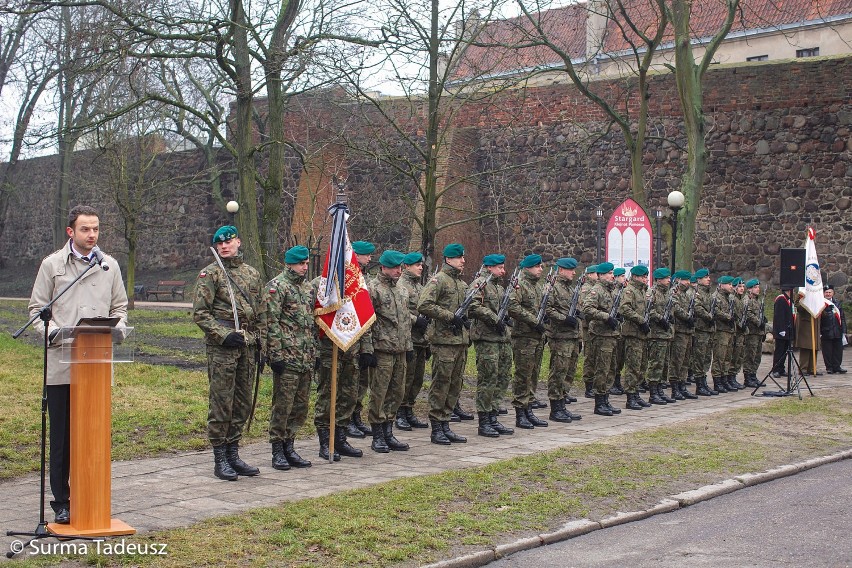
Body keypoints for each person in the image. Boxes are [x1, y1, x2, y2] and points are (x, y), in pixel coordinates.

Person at [28, 205, 128, 524]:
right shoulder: (52, 265)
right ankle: (62, 502)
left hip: (95, 368)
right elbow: (36, 311)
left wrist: (118, 329)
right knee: (61, 439)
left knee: (93, 435)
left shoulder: (109, 266)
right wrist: (55, 331)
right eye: (85, 229)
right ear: (71, 232)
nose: (92, 235)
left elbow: (121, 308)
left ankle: (91, 496)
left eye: (96, 229)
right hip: (62, 365)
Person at [194, 225, 267, 481]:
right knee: (222, 402)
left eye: (229, 241)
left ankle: (234, 453)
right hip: (223, 347)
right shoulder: (211, 274)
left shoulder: (251, 274)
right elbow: (200, 314)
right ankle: (220, 457)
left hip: (247, 345)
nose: (224, 246)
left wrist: (262, 344)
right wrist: (224, 335)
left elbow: (260, 312)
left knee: (242, 401)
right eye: (219, 243)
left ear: (238, 242)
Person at [266, 245, 322, 471]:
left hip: (305, 357)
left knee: (300, 406)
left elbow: (311, 323)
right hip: (287, 358)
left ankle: (290, 445)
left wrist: (315, 353)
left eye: (307, 263)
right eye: (301, 263)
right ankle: (277, 449)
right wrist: (275, 355)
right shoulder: (277, 287)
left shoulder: (308, 288)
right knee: (283, 405)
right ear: (289, 263)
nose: (304, 267)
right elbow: (271, 323)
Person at [417, 243, 469, 445]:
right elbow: (424, 304)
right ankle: (437, 427)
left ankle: (446, 423)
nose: (463, 260)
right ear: (448, 259)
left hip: (460, 342)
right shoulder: (439, 280)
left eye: (463, 257)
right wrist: (450, 317)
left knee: (455, 385)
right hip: (444, 342)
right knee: (441, 384)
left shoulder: (461, 284)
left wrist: (465, 320)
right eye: (459, 257)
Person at [363, 250, 412, 453]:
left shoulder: (401, 290)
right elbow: (366, 322)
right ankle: (378, 435)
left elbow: (406, 321)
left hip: (400, 349)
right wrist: (367, 350)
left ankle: (389, 431)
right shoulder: (373, 289)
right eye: (394, 268)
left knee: (397, 392)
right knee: (379, 393)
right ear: (383, 267)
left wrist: (408, 346)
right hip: (381, 349)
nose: (398, 271)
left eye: (400, 268)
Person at [468, 254, 515, 436]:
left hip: (501, 339)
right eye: (500, 268)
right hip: (486, 339)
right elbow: (473, 306)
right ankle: (484, 420)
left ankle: (493, 416)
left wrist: (505, 319)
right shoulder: (480, 284)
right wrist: (494, 319)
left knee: (502, 378)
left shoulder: (498, 287)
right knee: (488, 379)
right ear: (489, 267)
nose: (503, 271)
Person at [509, 254, 549, 428]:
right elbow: (512, 307)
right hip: (524, 337)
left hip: (536, 337)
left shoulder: (537, 286)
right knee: (522, 376)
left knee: (533, 375)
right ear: (528, 267)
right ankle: (520, 412)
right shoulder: (520, 285)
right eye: (538, 266)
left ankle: (528, 409)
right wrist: (534, 321)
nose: (541, 269)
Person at [544, 257, 584, 421]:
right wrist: (563, 318)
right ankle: (555, 408)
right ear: (561, 270)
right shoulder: (552, 287)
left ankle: (562, 404)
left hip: (572, 336)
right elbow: (547, 308)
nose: (574, 273)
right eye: (570, 270)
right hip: (560, 336)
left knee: (569, 372)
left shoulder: (571, 288)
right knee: (558, 372)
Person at [581, 262, 622, 416]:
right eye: (609, 273)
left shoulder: (610, 290)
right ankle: (599, 402)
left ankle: (605, 399)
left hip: (611, 335)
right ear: (601, 275)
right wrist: (606, 317)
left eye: (612, 273)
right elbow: (587, 309)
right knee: (602, 369)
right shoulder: (596, 290)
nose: (612, 276)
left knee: (611, 369)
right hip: (600, 335)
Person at [396, 252, 430, 430]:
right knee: (406, 379)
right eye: (417, 265)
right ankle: (400, 412)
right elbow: (399, 311)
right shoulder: (402, 285)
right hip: (408, 339)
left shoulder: (420, 286)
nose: (421, 267)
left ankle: (409, 409)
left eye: (421, 264)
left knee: (417, 379)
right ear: (407, 266)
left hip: (421, 340)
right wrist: (416, 320)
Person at [349, 240, 377, 439]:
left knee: (361, 383)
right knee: (348, 385)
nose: (369, 258)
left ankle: (356, 416)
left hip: (363, 339)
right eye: (366, 255)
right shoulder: (348, 280)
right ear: (355, 255)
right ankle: (347, 419)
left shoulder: (363, 280)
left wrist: (367, 347)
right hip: (347, 340)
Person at [618, 265, 651, 410]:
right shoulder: (630, 291)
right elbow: (624, 308)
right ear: (636, 277)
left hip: (641, 334)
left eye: (646, 276)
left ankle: (636, 394)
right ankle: (630, 397)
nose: (646, 279)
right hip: (632, 334)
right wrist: (641, 320)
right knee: (633, 367)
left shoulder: (641, 291)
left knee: (641, 366)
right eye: (643, 276)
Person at [645, 268, 675, 405]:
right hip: (656, 333)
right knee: (655, 364)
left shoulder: (667, 293)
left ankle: (660, 390)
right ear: (659, 279)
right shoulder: (652, 292)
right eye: (666, 278)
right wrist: (660, 319)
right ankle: (653, 393)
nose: (669, 280)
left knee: (663, 364)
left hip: (665, 333)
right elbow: (649, 310)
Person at [668, 270, 698, 400]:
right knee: (677, 361)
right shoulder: (674, 293)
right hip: (679, 331)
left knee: (685, 361)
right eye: (685, 280)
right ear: (678, 280)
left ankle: (682, 386)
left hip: (687, 331)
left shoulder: (686, 294)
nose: (688, 282)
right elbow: (676, 308)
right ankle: (675, 388)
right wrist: (687, 318)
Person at [690, 268, 717, 396]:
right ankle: (699, 384)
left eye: (708, 277)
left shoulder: (708, 293)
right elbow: (697, 308)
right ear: (699, 280)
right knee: (699, 358)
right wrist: (709, 316)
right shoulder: (697, 293)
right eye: (706, 278)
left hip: (709, 330)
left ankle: (703, 382)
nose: (708, 279)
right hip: (700, 329)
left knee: (706, 357)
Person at [711, 275, 737, 393]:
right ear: (721, 285)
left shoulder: (729, 297)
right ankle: (717, 381)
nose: (731, 287)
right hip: (720, 331)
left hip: (729, 330)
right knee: (719, 358)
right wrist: (728, 317)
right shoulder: (716, 297)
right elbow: (715, 311)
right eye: (729, 284)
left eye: (732, 284)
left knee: (727, 357)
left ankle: (724, 378)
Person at [741, 279, 766, 388]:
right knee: (750, 355)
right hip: (751, 332)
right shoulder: (747, 300)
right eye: (755, 287)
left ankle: (753, 375)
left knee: (757, 356)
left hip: (758, 332)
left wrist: (763, 325)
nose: (758, 289)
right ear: (750, 289)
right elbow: (748, 314)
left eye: (758, 287)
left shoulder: (757, 300)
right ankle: (748, 377)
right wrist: (758, 322)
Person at [579, 265, 598, 398]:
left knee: (594, 356)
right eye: (596, 273)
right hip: (588, 326)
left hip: (594, 326)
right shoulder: (586, 288)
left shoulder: (595, 288)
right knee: (590, 356)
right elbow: (584, 308)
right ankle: (589, 385)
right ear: (590, 275)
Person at [821, 285, 847, 374]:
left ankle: (837, 366)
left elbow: (842, 317)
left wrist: (844, 331)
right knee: (827, 351)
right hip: (826, 330)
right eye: (826, 292)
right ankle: (829, 367)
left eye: (830, 292)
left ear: (833, 293)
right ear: (824, 293)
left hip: (837, 330)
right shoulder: (821, 303)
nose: (828, 294)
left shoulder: (837, 303)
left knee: (838, 350)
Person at [794, 290, 821, 376]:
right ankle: (803, 368)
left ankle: (812, 368)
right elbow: (797, 305)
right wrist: (807, 303)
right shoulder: (803, 291)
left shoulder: (817, 290)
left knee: (815, 346)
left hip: (815, 322)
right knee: (806, 346)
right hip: (805, 323)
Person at [771, 286, 795, 378]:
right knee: (779, 351)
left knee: (785, 351)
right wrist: (781, 330)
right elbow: (779, 316)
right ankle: (776, 369)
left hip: (788, 330)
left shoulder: (789, 299)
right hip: (782, 330)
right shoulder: (781, 299)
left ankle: (781, 368)